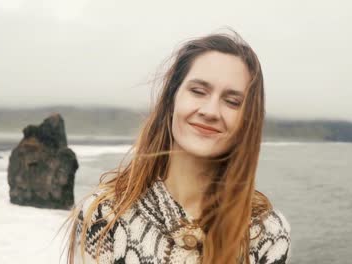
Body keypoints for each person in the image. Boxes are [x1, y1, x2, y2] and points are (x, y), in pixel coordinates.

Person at [63, 29, 291, 264]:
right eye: (198, 91)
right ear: (172, 99)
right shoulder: (106, 215)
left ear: (247, 120)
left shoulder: (267, 232)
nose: (210, 111)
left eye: (232, 102)